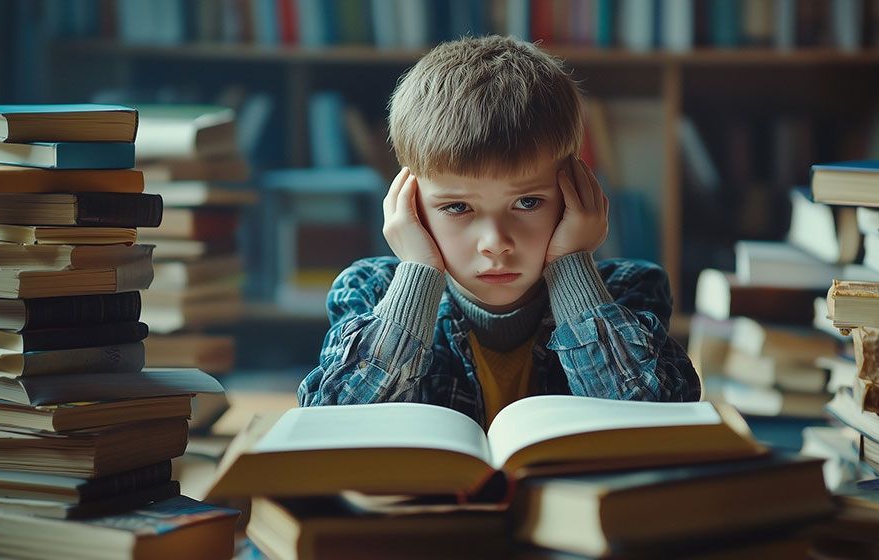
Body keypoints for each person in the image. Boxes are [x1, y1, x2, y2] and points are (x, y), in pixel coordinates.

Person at [298, 35, 700, 427]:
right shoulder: (370, 291)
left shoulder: (630, 290)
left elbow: (657, 416)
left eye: (527, 202)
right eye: (457, 207)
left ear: (576, 193)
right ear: (411, 205)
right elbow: (330, 420)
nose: (495, 244)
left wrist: (570, 267)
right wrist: (418, 273)